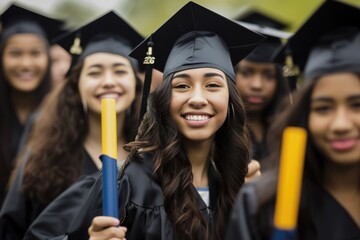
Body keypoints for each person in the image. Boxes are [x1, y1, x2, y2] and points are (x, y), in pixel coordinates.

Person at [53, 2, 265, 240]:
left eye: (213, 85)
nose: (197, 98)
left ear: (231, 100)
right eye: (182, 86)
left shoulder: (238, 183)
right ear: (164, 100)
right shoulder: (125, 183)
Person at [0, 11, 144, 240]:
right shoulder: (42, 161)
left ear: (136, 85)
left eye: (119, 70)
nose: (108, 81)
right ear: (76, 87)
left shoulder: (155, 158)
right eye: (95, 72)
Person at [225, 1, 360, 239]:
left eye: (357, 105)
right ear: (304, 114)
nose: (341, 124)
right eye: (323, 108)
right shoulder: (264, 205)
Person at [0, 3, 65, 207]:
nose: (26, 64)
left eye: (35, 53)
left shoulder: (63, 115)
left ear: (47, 58)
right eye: (15, 54)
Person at [233, 19, 292, 162]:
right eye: (246, 73)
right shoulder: (218, 133)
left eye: (269, 75)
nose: (257, 85)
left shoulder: (290, 128)